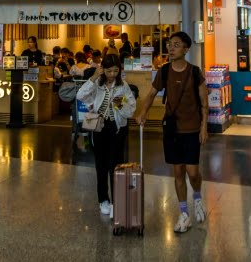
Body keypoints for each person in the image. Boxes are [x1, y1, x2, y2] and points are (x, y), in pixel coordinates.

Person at [137, 31, 209, 234]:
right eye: (170, 44)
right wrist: (142, 113)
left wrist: (204, 127)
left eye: (176, 44)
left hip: (192, 128)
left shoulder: (195, 73)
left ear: (186, 49)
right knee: (178, 171)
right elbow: (151, 94)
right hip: (172, 128)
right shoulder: (165, 71)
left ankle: (197, 196)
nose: (171, 48)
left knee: (192, 172)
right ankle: (184, 213)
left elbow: (204, 104)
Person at [76, 54, 137, 216]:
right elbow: (80, 95)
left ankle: (117, 201)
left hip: (117, 128)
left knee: (116, 166)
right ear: (103, 70)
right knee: (101, 165)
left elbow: (131, 109)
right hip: (98, 127)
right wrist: (94, 77)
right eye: (109, 71)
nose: (112, 74)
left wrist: (118, 102)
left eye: (115, 71)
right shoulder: (97, 83)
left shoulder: (123, 85)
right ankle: (103, 200)